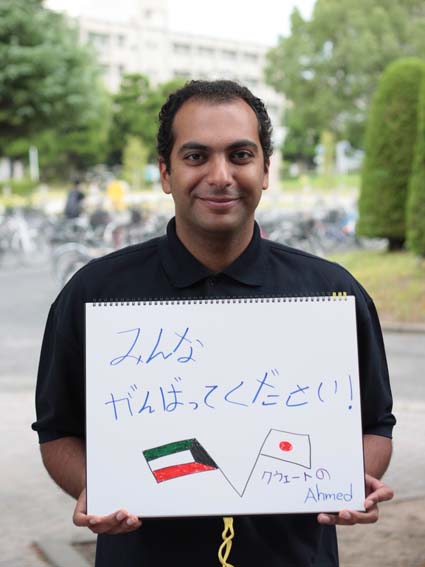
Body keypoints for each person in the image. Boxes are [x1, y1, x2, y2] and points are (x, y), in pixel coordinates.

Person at [32, 80, 395, 566]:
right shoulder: (95, 293)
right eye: (196, 156)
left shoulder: (332, 292)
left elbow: (375, 425)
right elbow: (57, 432)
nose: (220, 175)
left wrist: (349, 481)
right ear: (166, 172)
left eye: (240, 155)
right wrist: (96, 487)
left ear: (266, 170)